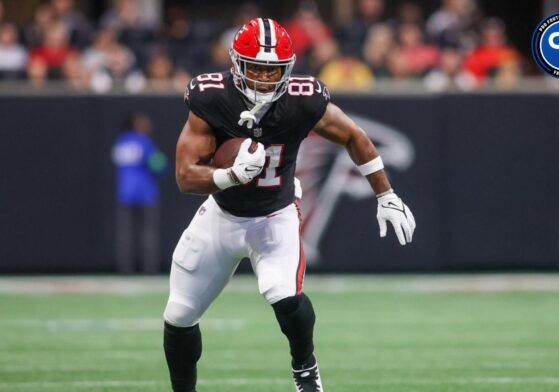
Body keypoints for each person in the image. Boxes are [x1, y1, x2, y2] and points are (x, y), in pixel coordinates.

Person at [164, 18, 416, 392]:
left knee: (283, 293)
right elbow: (186, 177)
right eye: (257, 69)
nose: (266, 79)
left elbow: (353, 136)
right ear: (236, 65)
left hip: (274, 215)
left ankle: (305, 368)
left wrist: (386, 194)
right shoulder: (211, 97)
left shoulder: (303, 97)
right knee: (179, 315)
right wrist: (231, 176)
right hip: (221, 216)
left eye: (274, 71)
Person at [112, 112, 167, 274]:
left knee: (125, 234)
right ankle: (150, 269)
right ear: (136, 124)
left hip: (125, 193)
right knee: (149, 233)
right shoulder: (144, 142)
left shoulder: (120, 142)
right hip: (146, 193)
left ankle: (125, 269)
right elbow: (159, 166)